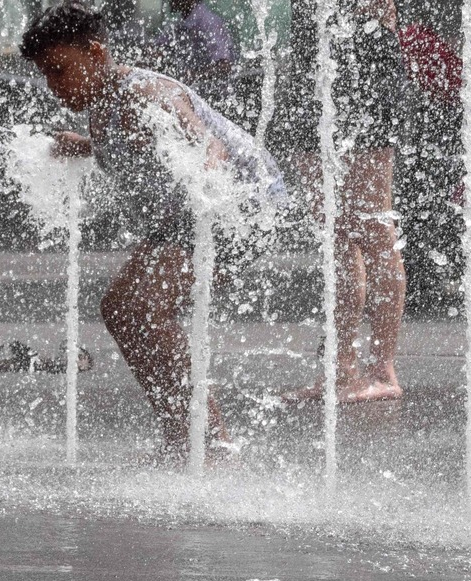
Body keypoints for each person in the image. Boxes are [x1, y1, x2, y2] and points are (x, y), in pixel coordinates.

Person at [20, 2, 286, 465]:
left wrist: (209, 167)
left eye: (59, 69)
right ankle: (192, 434)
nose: (54, 86)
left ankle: (205, 440)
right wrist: (81, 147)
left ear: (96, 52)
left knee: (137, 307)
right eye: (46, 75)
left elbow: (208, 141)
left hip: (238, 204)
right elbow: (128, 146)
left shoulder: (144, 90)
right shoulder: (102, 104)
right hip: (185, 215)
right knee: (125, 309)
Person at [275, 0, 406, 404]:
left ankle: (382, 368)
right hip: (312, 59)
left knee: (374, 227)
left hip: (363, 54)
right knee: (334, 232)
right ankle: (341, 369)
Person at [151, 0, 237, 107]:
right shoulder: (183, 24)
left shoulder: (208, 23)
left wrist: (191, 75)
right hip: (196, 97)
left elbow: (225, 66)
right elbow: (156, 48)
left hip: (217, 102)